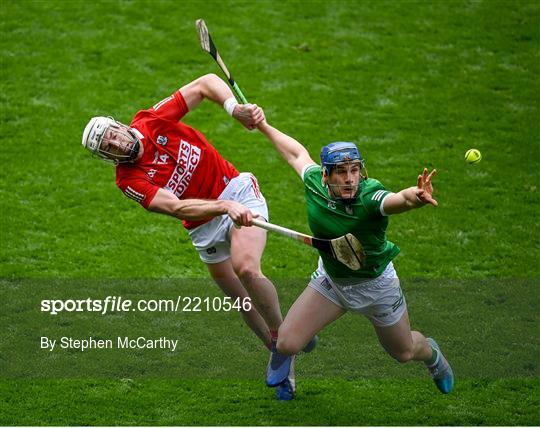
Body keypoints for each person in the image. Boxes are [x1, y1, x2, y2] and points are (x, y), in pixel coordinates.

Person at [81, 74, 311, 400]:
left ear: (118, 125)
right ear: (107, 158)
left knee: (247, 270)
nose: (117, 143)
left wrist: (234, 109)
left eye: (113, 135)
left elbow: (206, 83)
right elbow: (175, 208)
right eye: (108, 148)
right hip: (204, 224)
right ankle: (283, 355)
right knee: (241, 300)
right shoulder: (128, 180)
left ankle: (282, 338)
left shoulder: (151, 120)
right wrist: (221, 207)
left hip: (236, 191)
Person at [256, 120, 454, 395]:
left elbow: (396, 200)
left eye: (354, 171)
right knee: (286, 343)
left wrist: (415, 197)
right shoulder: (315, 183)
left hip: (376, 287)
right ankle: (298, 343)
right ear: (326, 175)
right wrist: (262, 125)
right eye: (341, 173)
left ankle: (432, 355)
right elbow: (296, 154)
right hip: (333, 281)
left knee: (404, 352)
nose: (350, 179)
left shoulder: (369, 196)